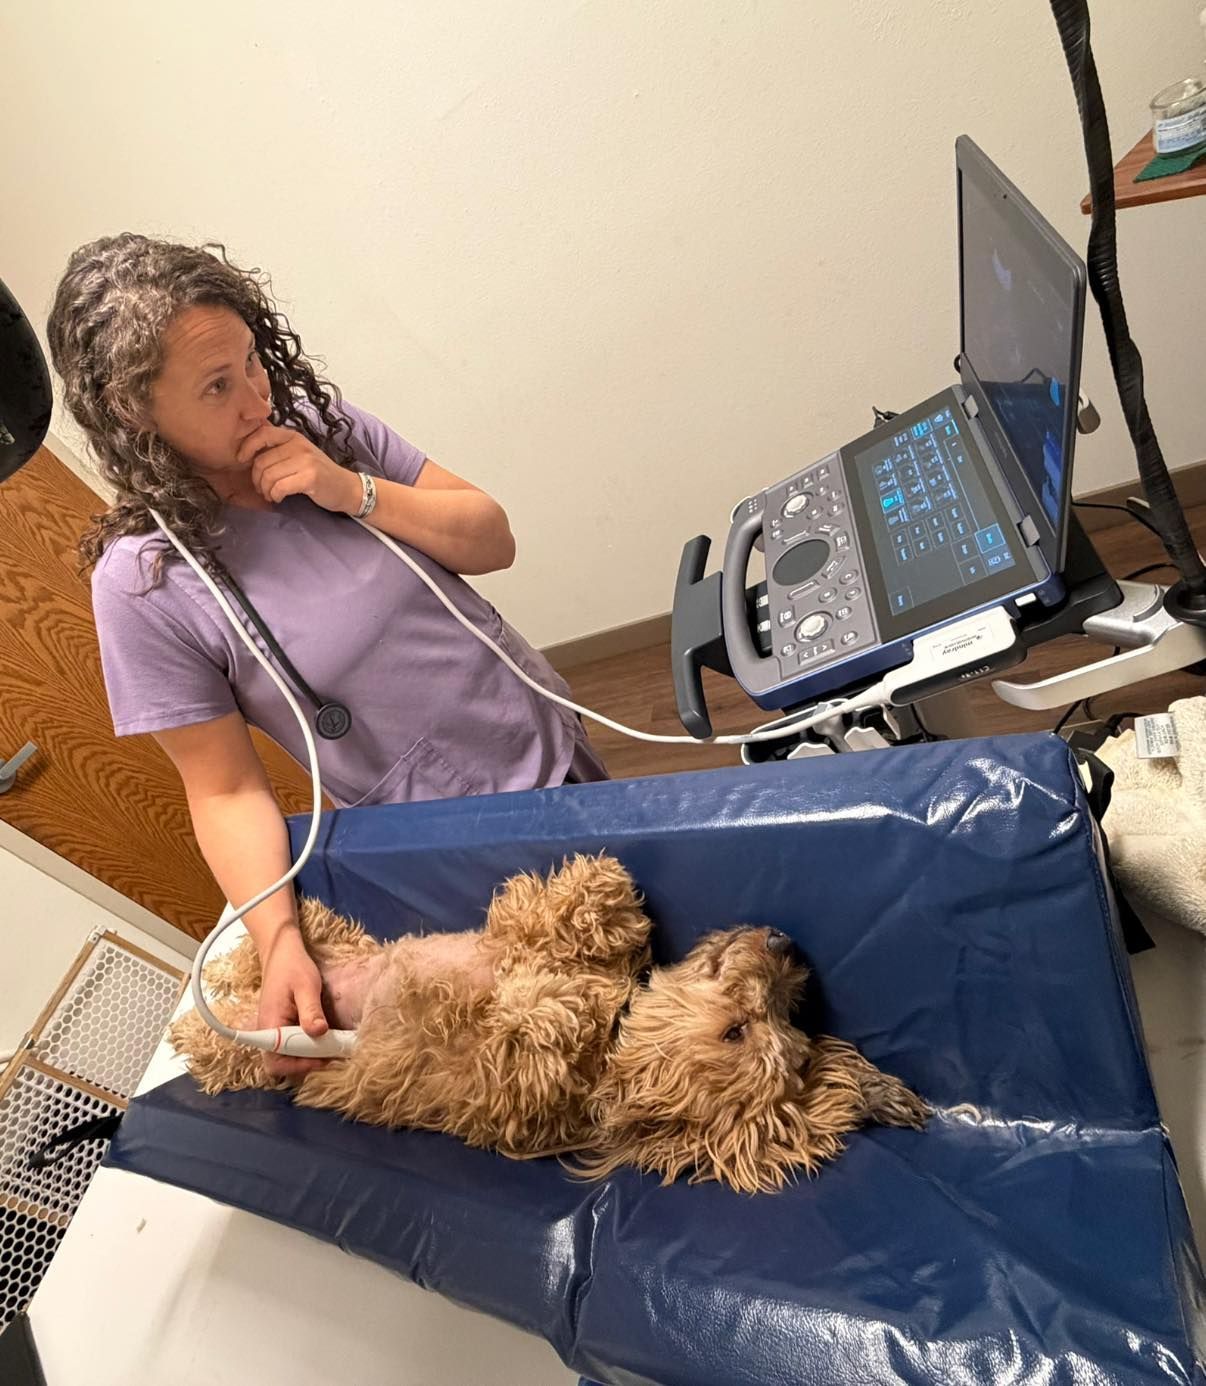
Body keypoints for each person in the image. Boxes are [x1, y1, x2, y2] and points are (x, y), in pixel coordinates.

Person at [47, 233, 607, 1079]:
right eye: (216, 386)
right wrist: (278, 942)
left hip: (559, 750)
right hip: (452, 845)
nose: (255, 398)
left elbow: (492, 538)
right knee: (579, 1038)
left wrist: (352, 490)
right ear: (135, 412)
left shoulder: (318, 432)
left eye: (249, 361)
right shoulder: (147, 583)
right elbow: (224, 790)